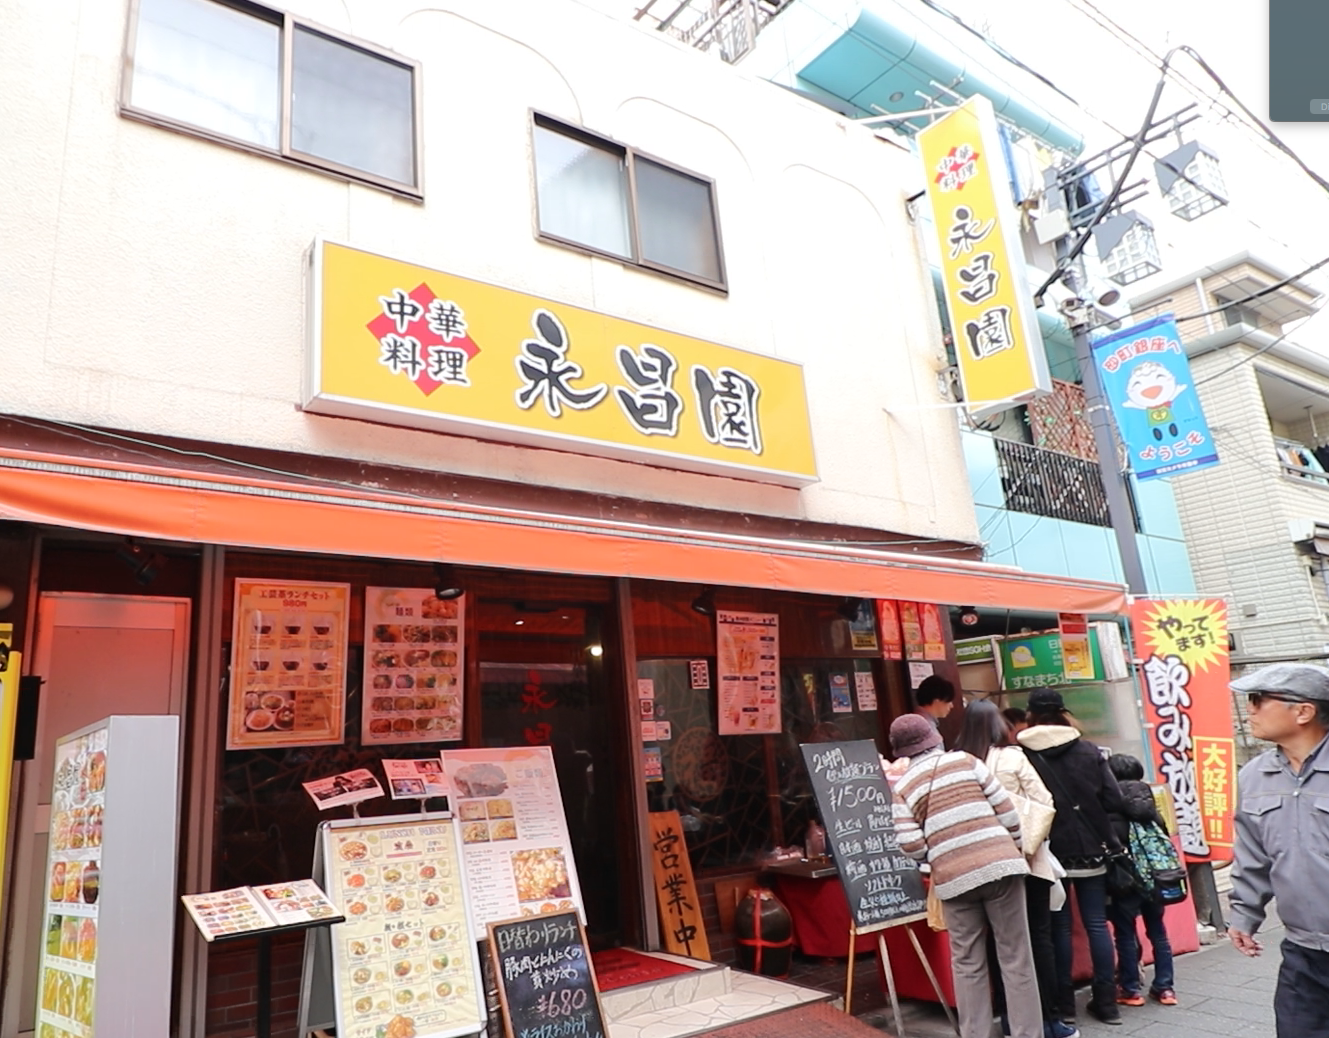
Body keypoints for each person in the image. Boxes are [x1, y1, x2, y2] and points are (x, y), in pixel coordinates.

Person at [889, 713, 1042, 1038]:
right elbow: (1007, 812)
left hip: (954, 878)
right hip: (1001, 866)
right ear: (933, 737)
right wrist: (1009, 848)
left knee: (967, 963)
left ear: (901, 751)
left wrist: (940, 854)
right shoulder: (966, 762)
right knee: (1016, 958)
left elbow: (910, 844)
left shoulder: (903, 787)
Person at [955, 700, 1076, 1038]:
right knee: (1035, 940)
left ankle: (1008, 1020)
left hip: (979, 864)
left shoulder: (958, 763)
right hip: (1025, 860)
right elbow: (1045, 803)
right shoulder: (1012, 757)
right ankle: (1047, 1020)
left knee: (993, 946)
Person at [1228, 663, 1329, 1038]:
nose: (1250, 710)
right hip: (1302, 953)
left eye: (1258, 700)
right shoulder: (1254, 776)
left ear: (1303, 711)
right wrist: (1243, 914)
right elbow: (1253, 853)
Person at [1018, 689, 1128, 1026]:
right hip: (1092, 849)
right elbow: (1114, 799)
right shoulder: (1088, 750)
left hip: (1049, 852)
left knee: (1059, 929)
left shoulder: (1024, 755)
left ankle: (1064, 1006)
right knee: (1096, 924)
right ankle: (1107, 1002)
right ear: (1063, 713)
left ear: (1030, 716)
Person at [1104, 753, 1176, 1008]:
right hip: (1155, 880)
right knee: (1158, 931)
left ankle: (1131, 990)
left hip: (1125, 882)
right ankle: (1165, 988)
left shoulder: (1110, 806)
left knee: (1124, 933)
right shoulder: (1150, 807)